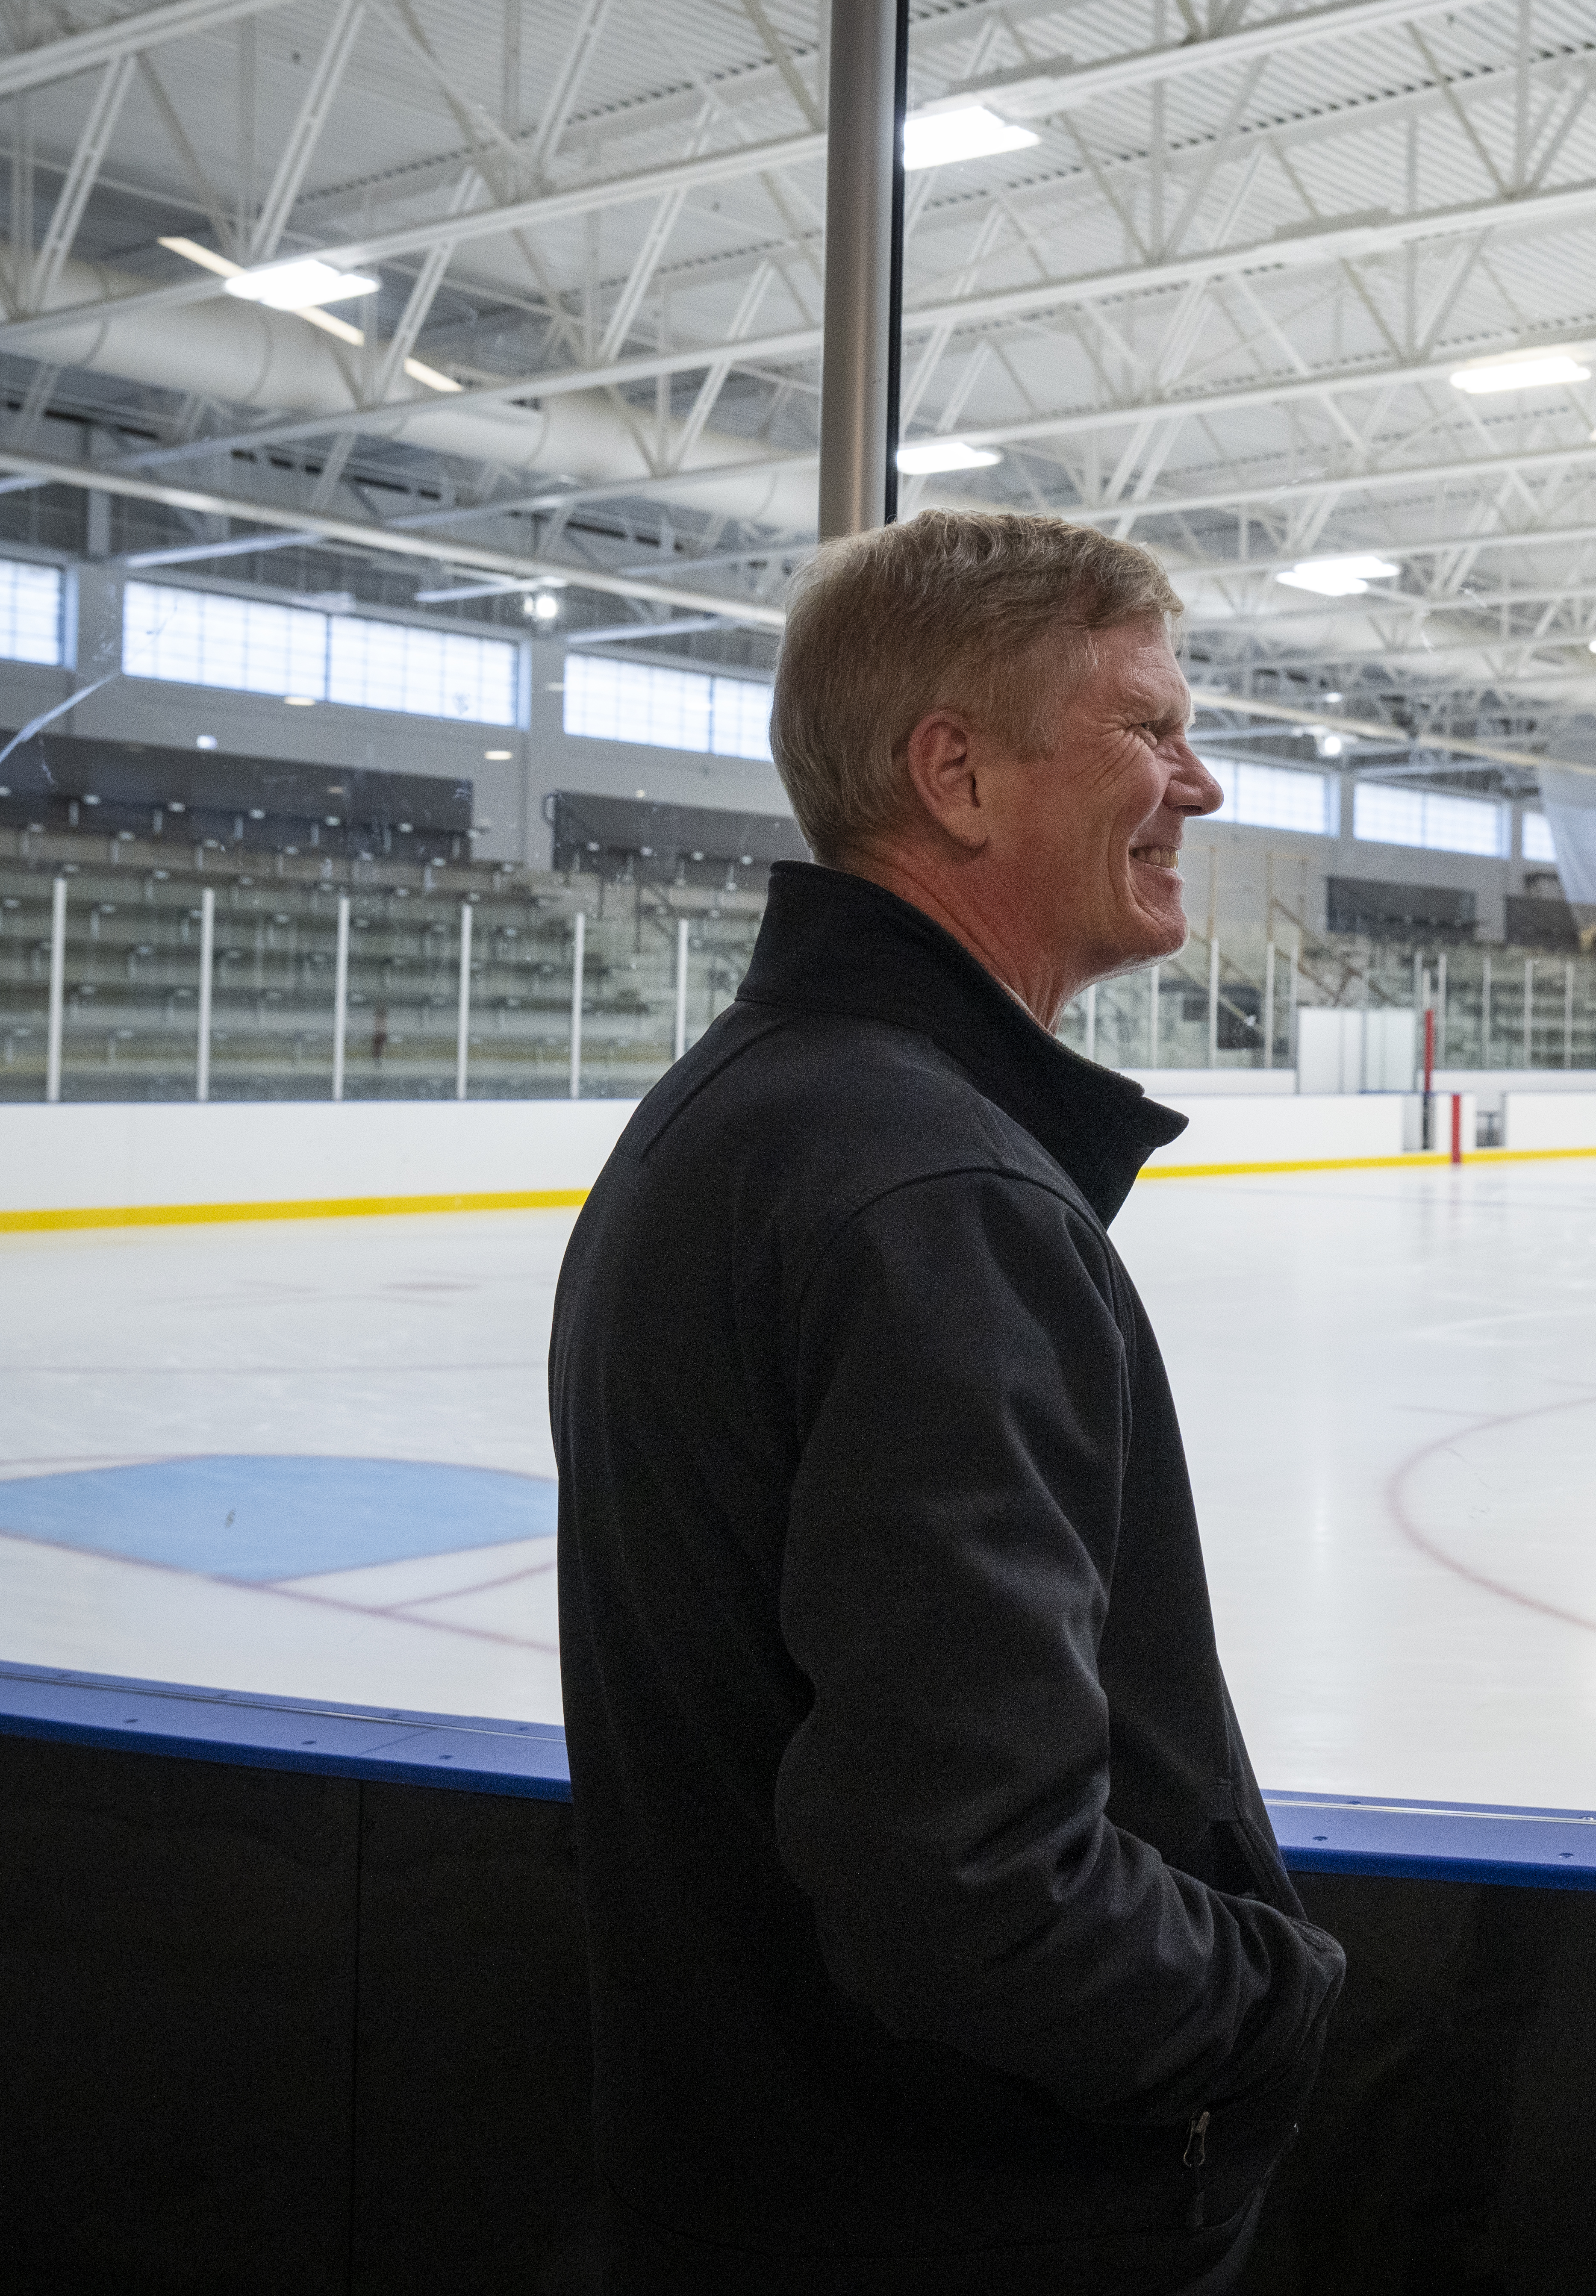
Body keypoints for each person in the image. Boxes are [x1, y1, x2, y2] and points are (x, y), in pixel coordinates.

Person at [553, 509, 1345, 2292]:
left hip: (766, 2192)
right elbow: (967, 1882)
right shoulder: (932, 1195)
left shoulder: (756, 1115)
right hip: (962, 2227)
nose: (1198, 785)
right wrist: (1270, 2009)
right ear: (958, 776)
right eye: (1148, 728)